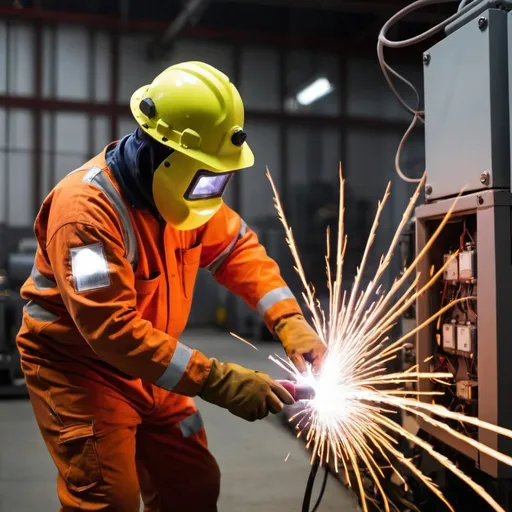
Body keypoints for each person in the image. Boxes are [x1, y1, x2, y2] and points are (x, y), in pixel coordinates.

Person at [16, 61, 326, 512]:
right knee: (109, 501)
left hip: (154, 364)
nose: (215, 189)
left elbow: (238, 251)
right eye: (209, 174)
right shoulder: (85, 215)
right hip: (83, 372)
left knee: (193, 484)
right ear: (164, 153)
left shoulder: (189, 197)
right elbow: (112, 332)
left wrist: (291, 321)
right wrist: (219, 380)